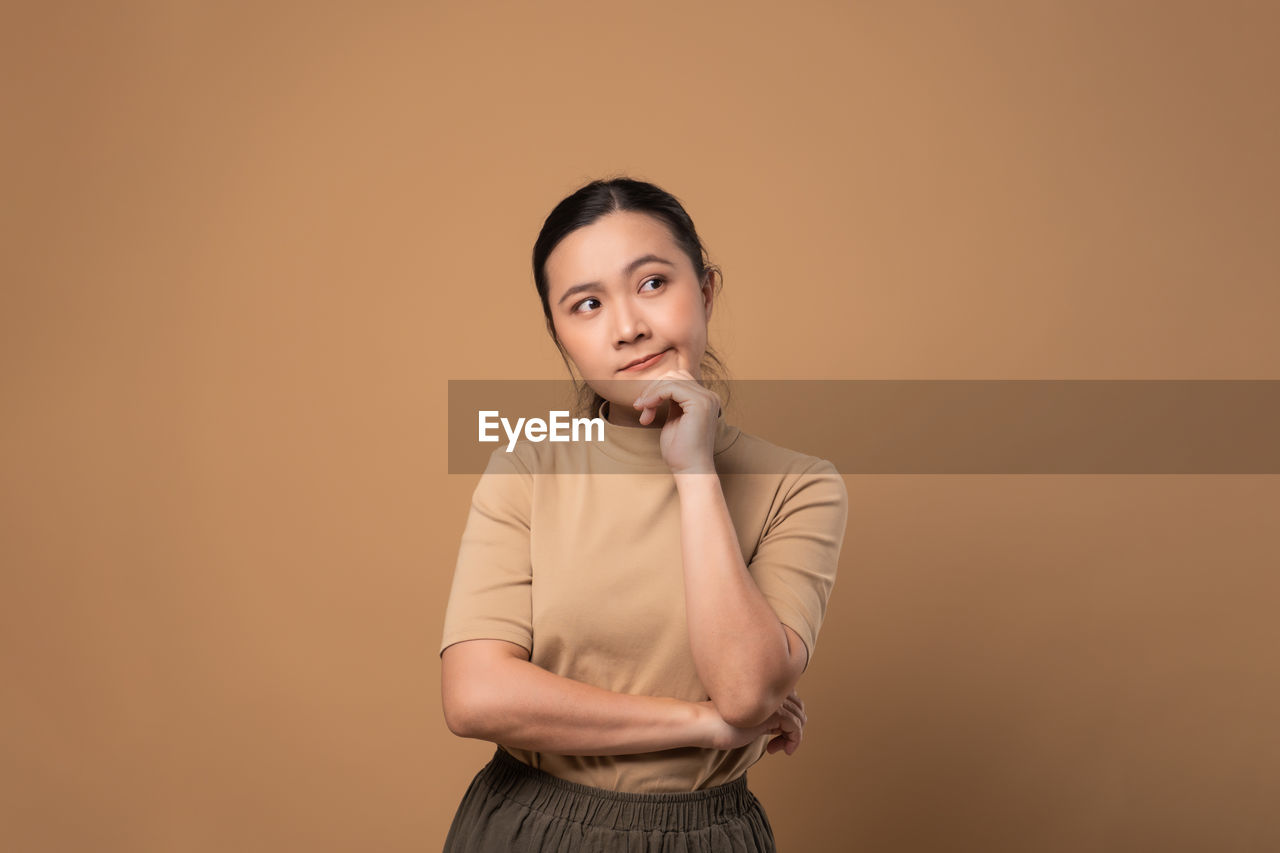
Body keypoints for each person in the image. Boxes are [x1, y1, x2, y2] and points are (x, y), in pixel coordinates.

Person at [439, 177, 849, 852]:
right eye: (588, 304)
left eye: (653, 283)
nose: (628, 326)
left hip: (703, 836)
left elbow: (747, 692)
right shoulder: (529, 465)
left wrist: (694, 471)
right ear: (561, 334)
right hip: (527, 828)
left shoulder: (800, 486)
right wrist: (703, 724)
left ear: (707, 290)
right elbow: (475, 696)